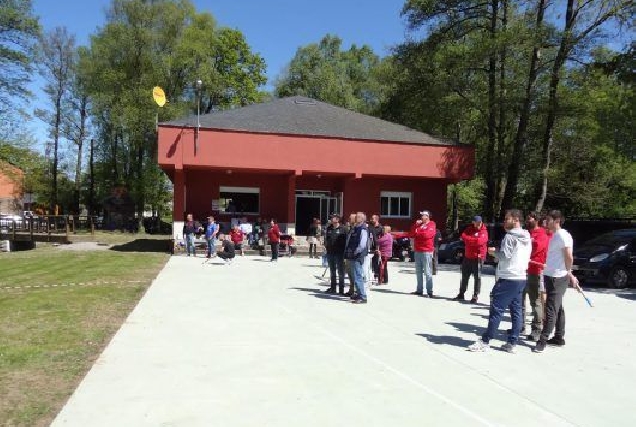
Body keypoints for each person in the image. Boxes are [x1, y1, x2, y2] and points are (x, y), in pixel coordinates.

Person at [468, 209, 531, 353]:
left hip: (508, 277)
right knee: (516, 311)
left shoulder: (510, 236)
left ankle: (485, 341)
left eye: (507, 218)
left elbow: (505, 256)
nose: (504, 221)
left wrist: (492, 252)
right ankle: (512, 342)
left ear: (516, 220)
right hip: (520, 277)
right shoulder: (526, 235)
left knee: (496, 309)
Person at [534, 210, 577, 353]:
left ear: (556, 220)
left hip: (558, 277)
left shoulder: (563, 236)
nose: (546, 222)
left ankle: (543, 340)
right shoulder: (554, 236)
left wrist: (568, 272)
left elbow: (569, 256)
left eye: (548, 220)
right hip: (550, 275)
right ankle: (559, 337)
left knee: (551, 309)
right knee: (558, 307)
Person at [523, 212, 549, 341]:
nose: (528, 220)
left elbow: (537, 248)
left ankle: (537, 329)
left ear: (536, 220)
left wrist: (528, 245)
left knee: (536, 301)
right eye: (527, 218)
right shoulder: (527, 233)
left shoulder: (542, 234)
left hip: (536, 271)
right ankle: (520, 326)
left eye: (530, 218)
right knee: (521, 300)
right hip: (524, 270)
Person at [454, 215, 489, 303]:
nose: (477, 224)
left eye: (479, 223)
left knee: (477, 277)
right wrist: (473, 240)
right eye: (475, 222)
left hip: (478, 257)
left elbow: (480, 242)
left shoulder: (484, 231)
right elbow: (463, 236)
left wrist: (469, 240)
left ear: (481, 222)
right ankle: (461, 294)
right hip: (467, 256)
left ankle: (475, 295)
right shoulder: (469, 229)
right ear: (473, 222)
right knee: (464, 276)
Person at [344, 212, 370, 304]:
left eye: (358, 217)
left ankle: (362, 296)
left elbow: (363, 244)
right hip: (351, 255)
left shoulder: (363, 229)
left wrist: (356, 251)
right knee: (354, 276)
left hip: (357, 256)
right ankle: (358, 294)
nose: (356, 218)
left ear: (362, 219)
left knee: (358, 276)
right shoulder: (356, 228)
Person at [410, 210, 436, 297]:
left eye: (423, 215)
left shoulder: (432, 224)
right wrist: (416, 226)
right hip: (418, 250)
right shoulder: (419, 225)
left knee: (428, 272)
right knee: (418, 271)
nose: (421, 217)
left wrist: (418, 233)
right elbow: (412, 234)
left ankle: (429, 291)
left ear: (427, 216)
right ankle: (419, 290)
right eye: (421, 215)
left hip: (427, 251)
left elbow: (427, 235)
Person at [323, 214, 347, 294]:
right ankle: (333, 288)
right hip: (330, 253)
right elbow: (326, 239)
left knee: (341, 272)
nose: (331, 219)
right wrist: (326, 246)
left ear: (337, 219)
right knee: (332, 271)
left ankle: (341, 290)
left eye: (332, 218)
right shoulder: (329, 228)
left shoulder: (343, 229)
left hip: (340, 254)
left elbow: (346, 241)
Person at [344, 213, 357, 298]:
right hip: (347, 253)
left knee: (354, 274)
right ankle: (351, 290)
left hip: (353, 254)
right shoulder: (350, 228)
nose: (348, 219)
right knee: (349, 273)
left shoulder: (357, 229)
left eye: (350, 218)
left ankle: (355, 291)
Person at [368, 214, 383, 283]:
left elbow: (382, 238)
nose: (371, 220)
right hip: (370, 246)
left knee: (376, 261)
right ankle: (370, 275)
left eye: (372, 218)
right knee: (369, 262)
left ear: (377, 220)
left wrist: (379, 247)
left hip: (377, 247)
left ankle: (376, 275)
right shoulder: (370, 227)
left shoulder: (380, 228)